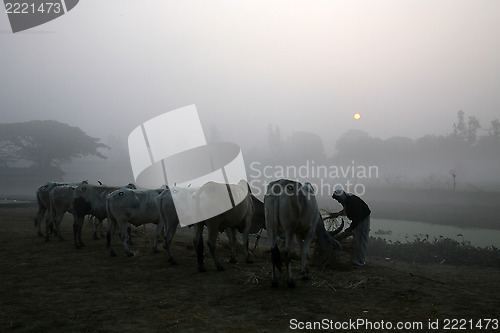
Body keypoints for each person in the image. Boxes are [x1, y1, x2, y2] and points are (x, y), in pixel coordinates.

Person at [330, 189, 371, 266]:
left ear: (341, 197)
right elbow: (346, 210)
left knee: (361, 240)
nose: (338, 201)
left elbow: (357, 217)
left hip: (363, 219)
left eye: (338, 200)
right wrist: (337, 214)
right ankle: (355, 259)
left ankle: (360, 261)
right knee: (356, 239)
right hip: (359, 219)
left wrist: (350, 228)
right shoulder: (347, 200)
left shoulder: (352, 201)